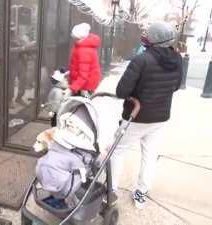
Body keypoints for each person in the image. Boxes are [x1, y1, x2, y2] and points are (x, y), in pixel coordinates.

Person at [111, 22, 182, 209]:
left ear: (153, 40)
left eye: (148, 35)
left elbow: (121, 91)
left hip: (136, 117)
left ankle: (110, 190)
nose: (145, 37)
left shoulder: (141, 60)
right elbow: (175, 86)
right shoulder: (177, 59)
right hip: (160, 117)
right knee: (150, 155)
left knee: (117, 151)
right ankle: (141, 192)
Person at [66, 23, 101, 98]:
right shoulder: (82, 46)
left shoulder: (84, 51)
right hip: (83, 85)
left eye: (75, 38)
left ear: (79, 37)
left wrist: (72, 89)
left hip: (85, 87)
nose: (74, 40)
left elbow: (83, 75)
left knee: (79, 107)